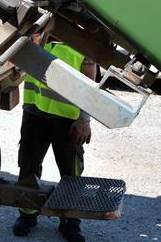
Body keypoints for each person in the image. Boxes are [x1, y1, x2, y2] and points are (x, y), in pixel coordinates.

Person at [12, 42, 97, 242]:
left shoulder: (82, 42)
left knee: (70, 172)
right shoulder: (40, 31)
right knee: (28, 166)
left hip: (68, 120)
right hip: (35, 111)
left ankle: (70, 223)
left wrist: (84, 119)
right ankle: (27, 215)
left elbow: (90, 84)